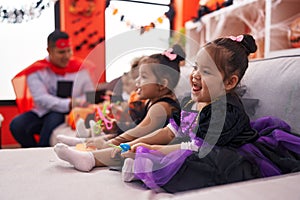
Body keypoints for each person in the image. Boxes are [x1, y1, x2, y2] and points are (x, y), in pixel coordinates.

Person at [118, 34, 300, 193]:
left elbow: (198, 146)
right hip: (198, 146)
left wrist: (158, 150)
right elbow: (170, 131)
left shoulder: (226, 111)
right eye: (196, 67)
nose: (195, 75)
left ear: (229, 83)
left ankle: (146, 165)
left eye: (206, 71)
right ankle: (144, 163)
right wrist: (136, 142)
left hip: (226, 151)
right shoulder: (191, 102)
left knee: (205, 166)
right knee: (178, 154)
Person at [54, 49, 183, 171]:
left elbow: (138, 132)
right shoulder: (152, 101)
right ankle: (84, 142)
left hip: (156, 148)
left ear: (162, 84)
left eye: (143, 77)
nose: (137, 81)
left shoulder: (161, 108)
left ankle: (90, 159)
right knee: (118, 135)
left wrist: (113, 142)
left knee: (123, 148)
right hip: (143, 139)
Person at [10, 30, 96, 148]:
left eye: (68, 51)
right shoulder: (37, 70)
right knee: (17, 125)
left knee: (53, 120)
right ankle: (32, 149)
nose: (66, 56)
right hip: (42, 111)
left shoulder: (81, 68)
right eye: (61, 52)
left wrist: (78, 102)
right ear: (49, 51)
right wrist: (69, 103)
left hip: (71, 112)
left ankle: (42, 151)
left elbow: (89, 94)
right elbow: (41, 98)